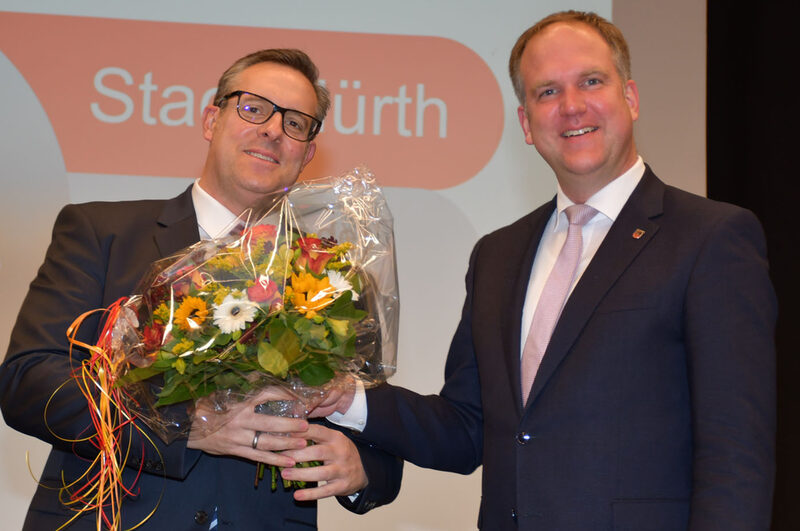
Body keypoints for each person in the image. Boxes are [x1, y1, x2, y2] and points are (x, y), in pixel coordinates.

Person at [316, 10, 776, 530]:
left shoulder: (711, 237)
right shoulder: (497, 255)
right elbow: (469, 429)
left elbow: (736, 452)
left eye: (591, 81)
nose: (572, 106)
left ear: (631, 98)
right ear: (526, 124)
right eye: (547, 92)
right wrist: (346, 398)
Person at [0, 48, 401, 530]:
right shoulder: (100, 231)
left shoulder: (330, 277)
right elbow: (28, 382)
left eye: (296, 123)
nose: (274, 130)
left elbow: (378, 443)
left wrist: (360, 471)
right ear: (212, 119)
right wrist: (188, 426)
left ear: (307, 154)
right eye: (254, 108)